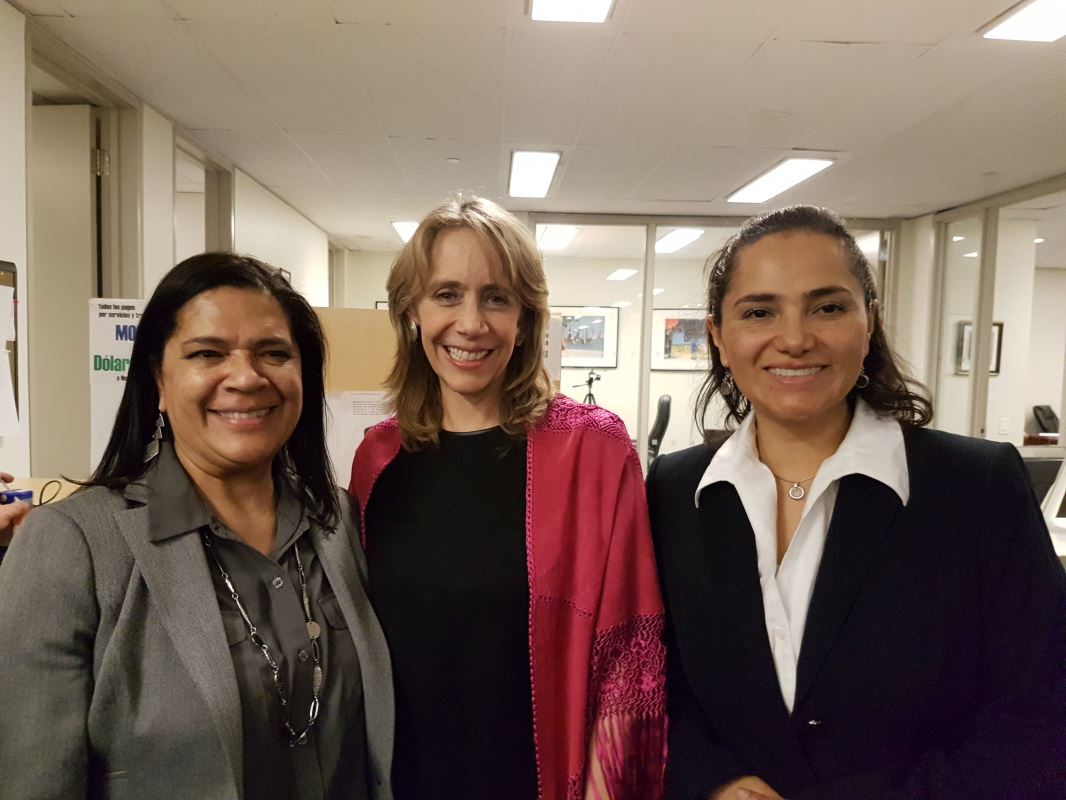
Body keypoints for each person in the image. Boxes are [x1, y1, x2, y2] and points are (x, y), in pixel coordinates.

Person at [647, 205, 1066, 800]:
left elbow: (1039, 717)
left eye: (828, 307)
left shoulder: (975, 487)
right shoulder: (675, 490)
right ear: (718, 335)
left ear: (869, 323)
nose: (795, 339)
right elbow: (653, 683)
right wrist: (712, 780)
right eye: (760, 311)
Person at [0, 253, 394, 800]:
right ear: (158, 382)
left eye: (274, 353)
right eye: (207, 353)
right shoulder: (74, 545)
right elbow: (33, 779)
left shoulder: (338, 522)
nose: (246, 377)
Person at [349, 196, 666, 799]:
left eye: (496, 298)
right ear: (412, 311)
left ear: (525, 318)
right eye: (447, 295)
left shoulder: (592, 450)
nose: (471, 323)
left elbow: (632, 662)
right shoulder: (377, 458)